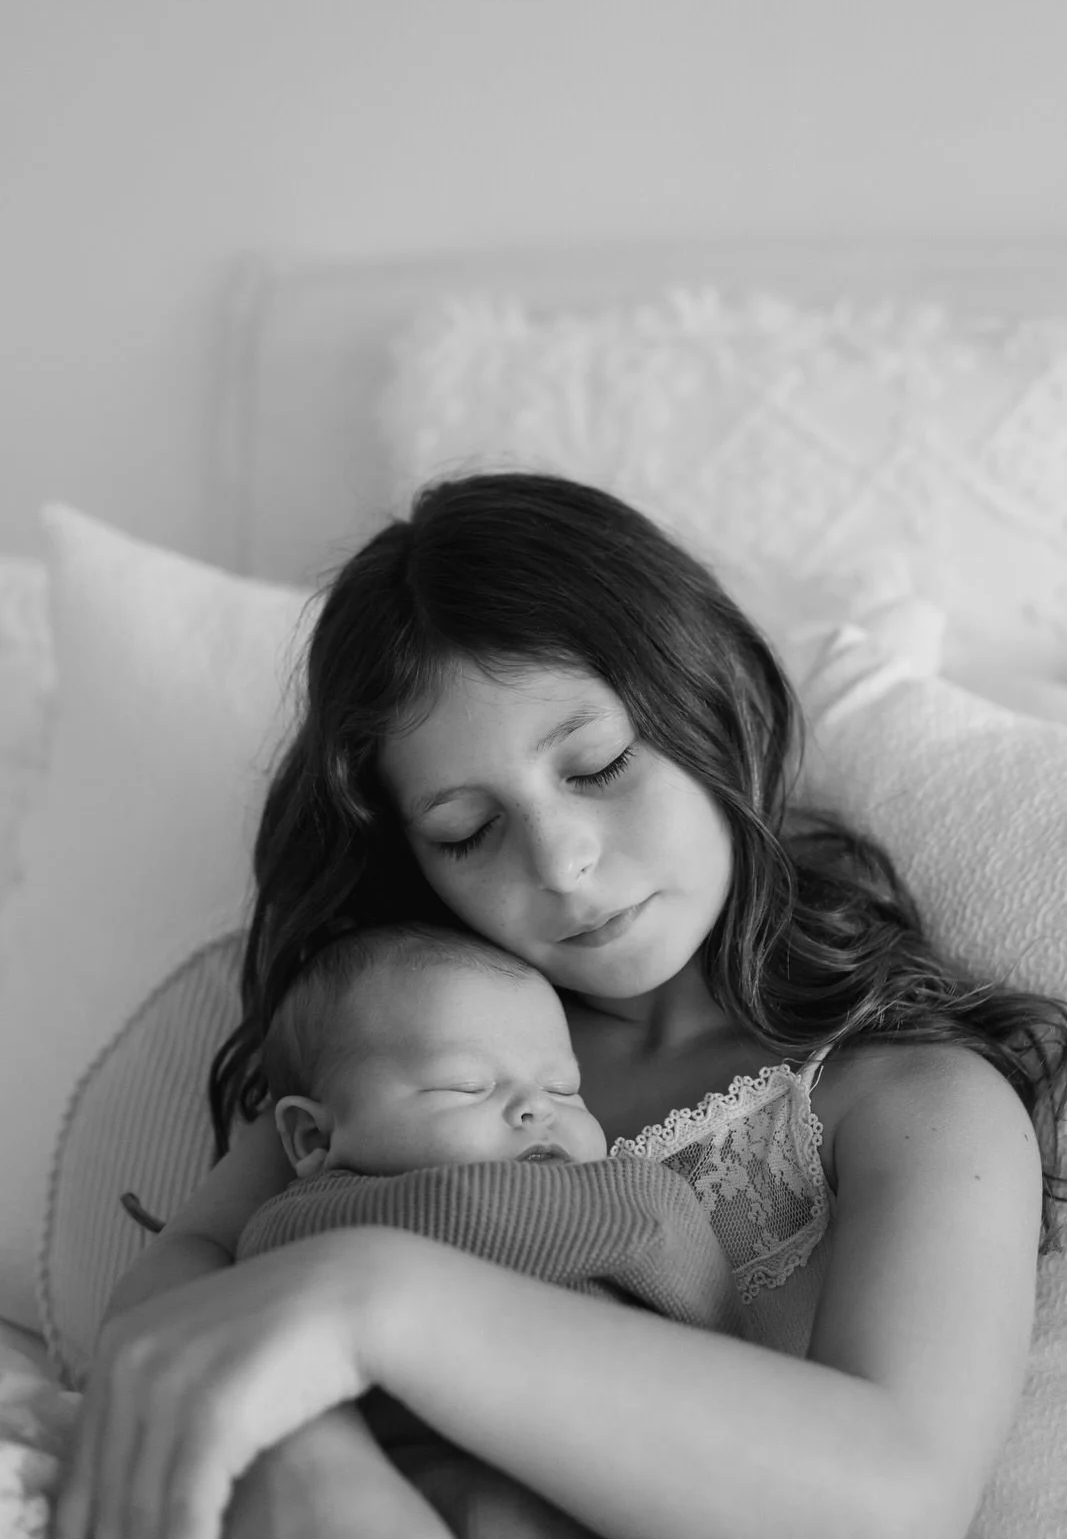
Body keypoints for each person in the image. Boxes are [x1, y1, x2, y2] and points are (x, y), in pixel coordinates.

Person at [56, 467, 1067, 1539]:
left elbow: (897, 1497)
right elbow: (164, 1308)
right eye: (466, 831)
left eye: (597, 765)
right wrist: (307, 1455)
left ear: (712, 701)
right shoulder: (414, 1046)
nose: (561, 861)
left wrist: (373, 1297)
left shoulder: (911, 1101)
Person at [235, 919, 743, 1539]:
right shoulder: (300, 1222)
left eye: (564, 1088)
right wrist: (643, 1196)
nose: (538, 1107)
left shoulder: (605, 1194)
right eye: (467, 1086)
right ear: (312, 1136)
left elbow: (719, 1350)